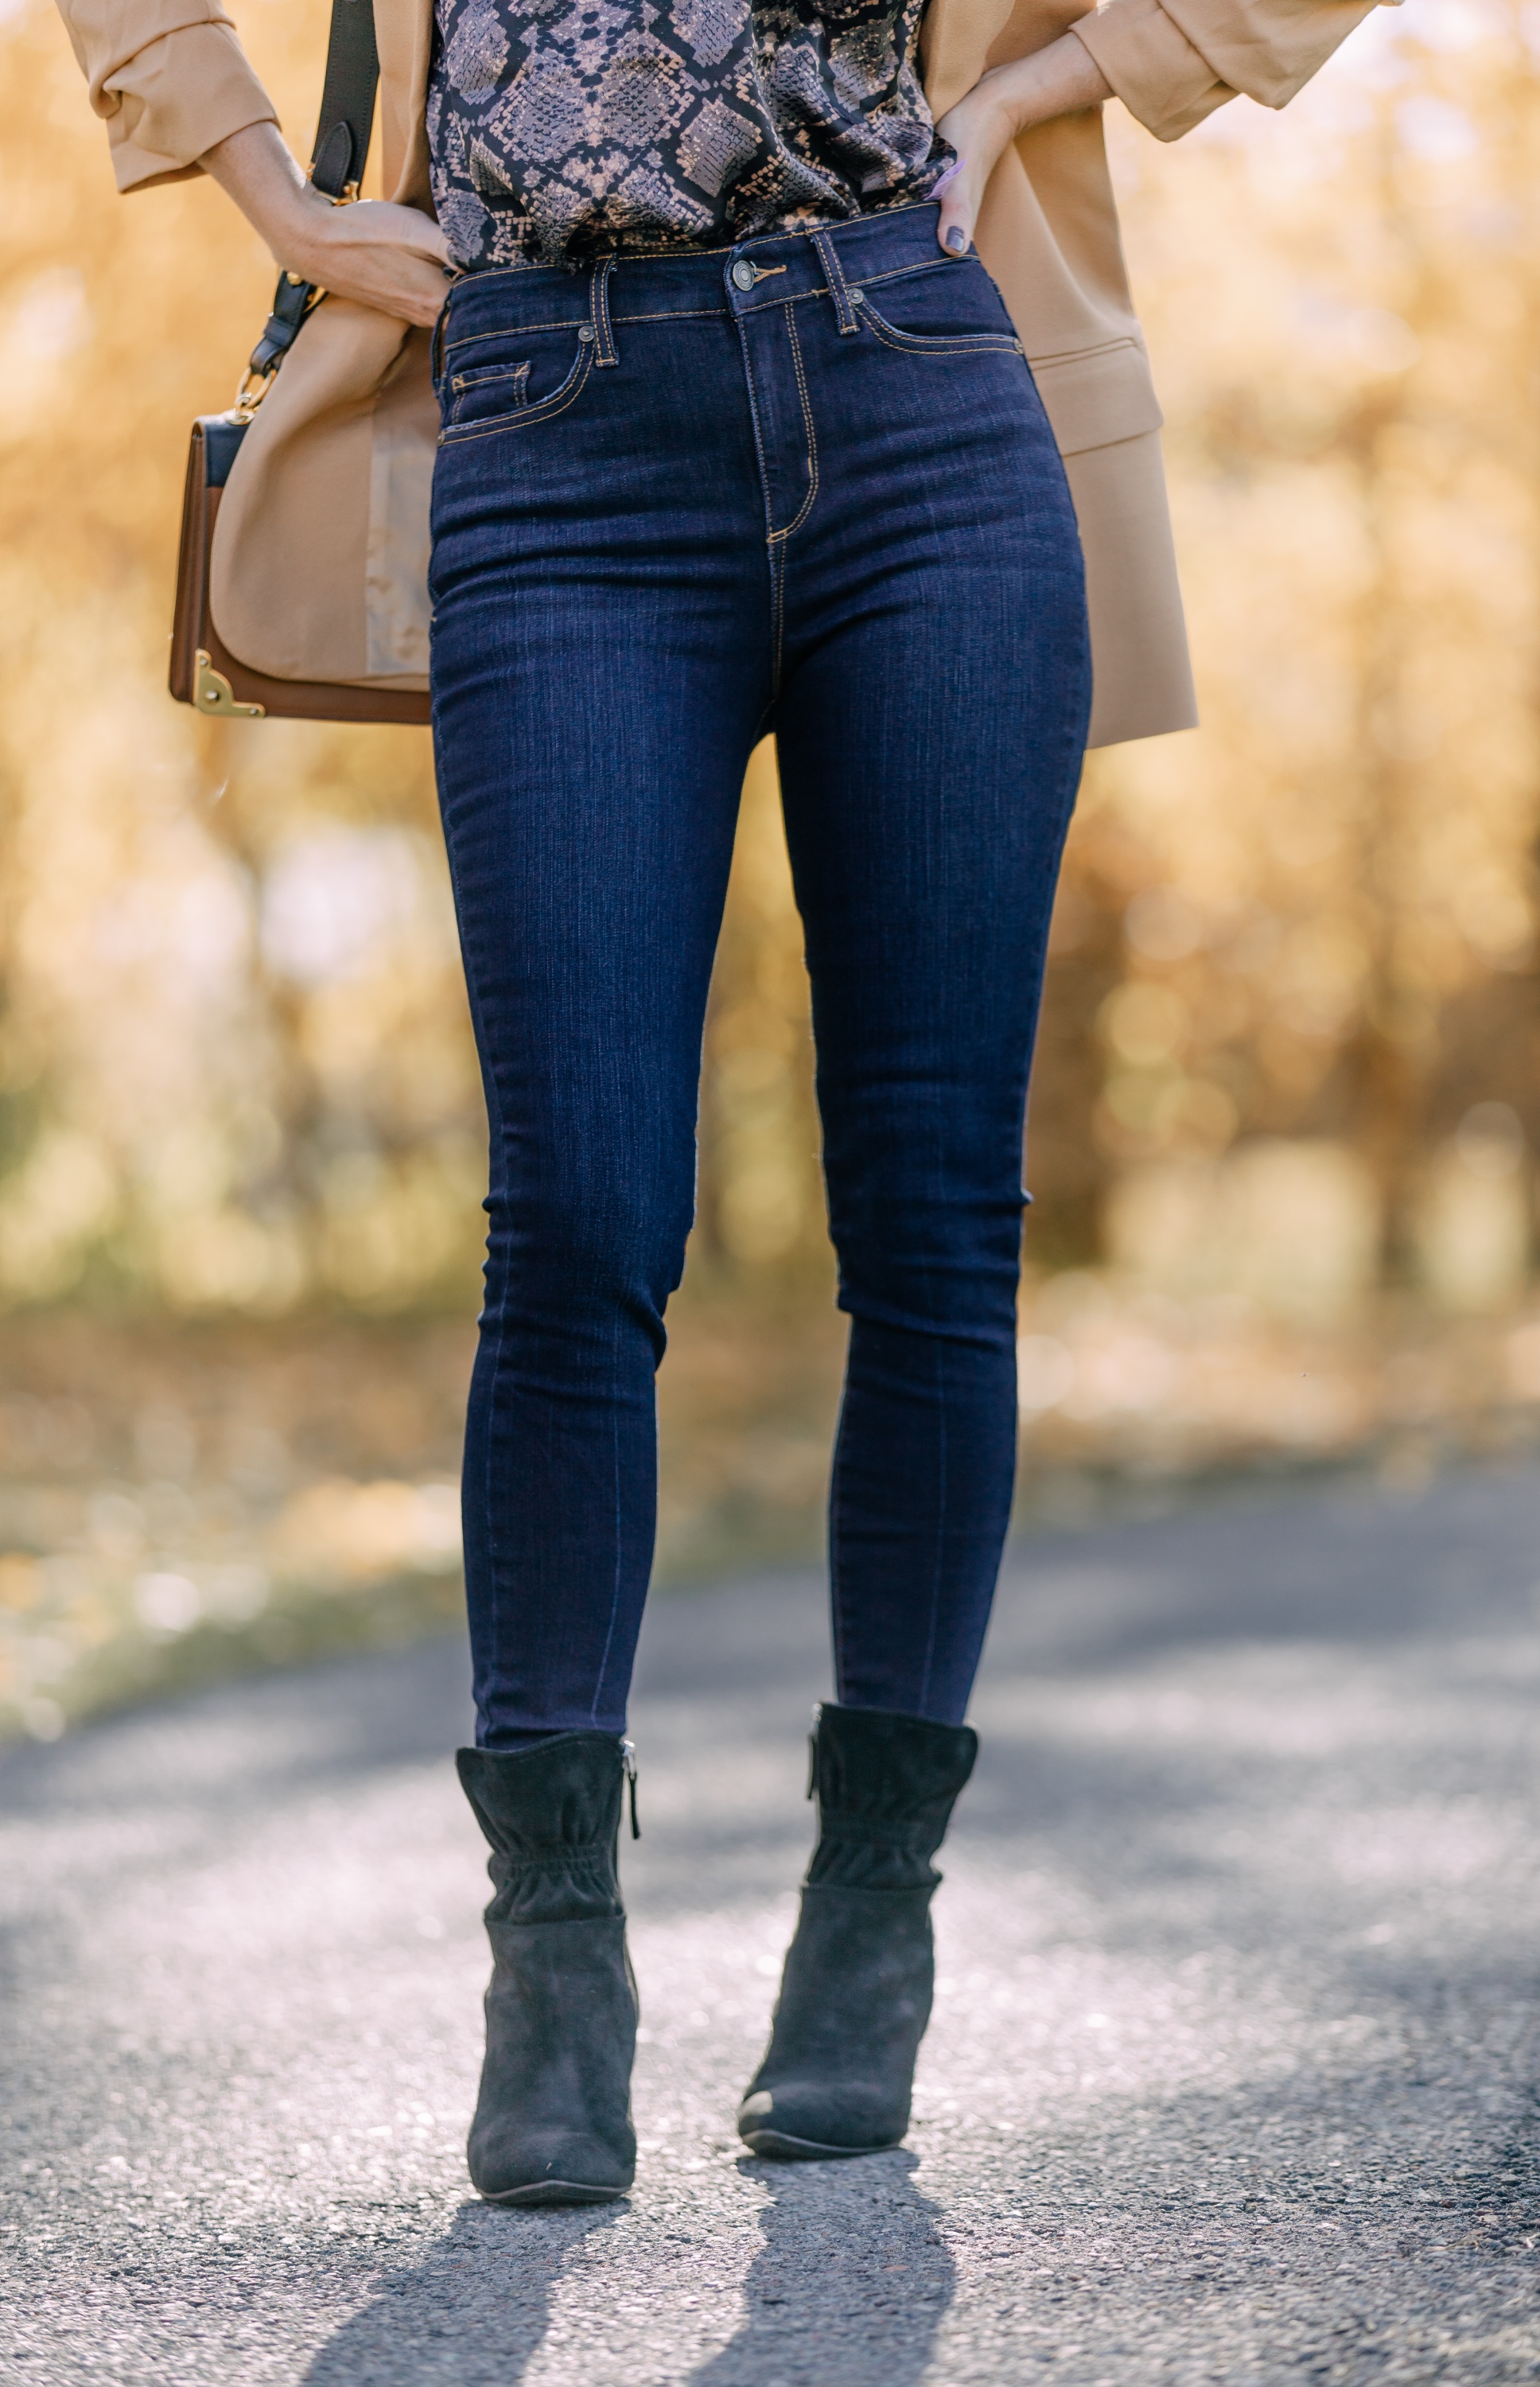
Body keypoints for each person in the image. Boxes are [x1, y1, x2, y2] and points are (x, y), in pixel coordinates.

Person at [57, 0, 1389, 2205]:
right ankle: (553, 1959)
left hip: (923, 391)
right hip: (551, 424)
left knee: (936, 1222)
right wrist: (269, 190)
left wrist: (1049, 85)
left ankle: (874, 1918)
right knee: (580, 1222)